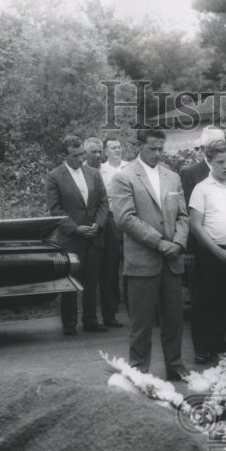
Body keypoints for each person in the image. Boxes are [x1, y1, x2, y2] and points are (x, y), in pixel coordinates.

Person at [109, 129, 189, 379]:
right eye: (151, 148)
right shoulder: (124, 177)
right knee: (141, 324)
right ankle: (139, 372)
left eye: (160, 149)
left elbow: (183, 216)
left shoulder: (173, 177)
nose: (157, 153)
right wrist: (159, 243)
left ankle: (175, 368)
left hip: (173, 260)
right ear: (139, 146)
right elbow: (124, 218)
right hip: (143, 262)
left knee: (174, 320)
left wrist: (178, 243)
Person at [180, 126, 226, 363]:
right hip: (203, 249)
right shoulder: (191, 174)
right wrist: (189, 250)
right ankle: (202, 347)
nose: (220, 147)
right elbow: (189, 215)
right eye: (214, 144)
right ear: (204, 150)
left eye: (223, 142)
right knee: (202, 302)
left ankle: (225, 347)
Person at [46, 135, 108, 335]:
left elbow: (103, 202)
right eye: (75, 156)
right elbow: (55, 210)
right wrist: (75, 228)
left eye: (81, 154)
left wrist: (98, 225)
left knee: (92, 281)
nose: (80, 159)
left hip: (94, 236)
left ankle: (91, 321)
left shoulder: (94, 174)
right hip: (72, 239)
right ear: (65, 155)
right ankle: (69, 325)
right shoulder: (54, 176)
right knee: (71, 282)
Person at [85, 136, 123, 327]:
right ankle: (89, 318)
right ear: (85, 153)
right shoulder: (81, 171)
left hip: (107, 223)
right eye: (94, 152)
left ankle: (110, 314)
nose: (98, 156)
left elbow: (106, 201)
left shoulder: (108, 171)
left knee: (109, 270)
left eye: (100, 152)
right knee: (91, 273)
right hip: (86, 227)